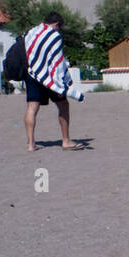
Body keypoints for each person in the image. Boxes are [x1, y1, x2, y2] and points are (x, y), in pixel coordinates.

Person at [24, 12, 83, 152]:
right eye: (60, 27)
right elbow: (58, 61)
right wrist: (63, 82)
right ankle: (66, 141)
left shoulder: (32, 32)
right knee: (63, 105)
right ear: (56, 24)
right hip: (50, 77)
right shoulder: (54, 36)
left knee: (32, 108)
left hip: (32, 73)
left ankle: (31, 145)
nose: (59, 30)